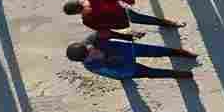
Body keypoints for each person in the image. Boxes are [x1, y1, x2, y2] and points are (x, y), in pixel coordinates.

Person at [63, 0, 181, 36]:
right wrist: (127, 0)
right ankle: (170, 23)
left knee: (146, 19)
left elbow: (104, 29)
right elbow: (104, 29)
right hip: (124, 18)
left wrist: (128, 0)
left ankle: (169, 23)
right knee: (146, 19)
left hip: (125, 15)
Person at [66, 35, 198, 81]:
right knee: (152, 73)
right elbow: (115, 70)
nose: (92, 49)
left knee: (157, 50)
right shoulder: (94, 66)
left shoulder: (92, 41)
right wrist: (105, 59)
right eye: (89, 52)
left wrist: (127, 37)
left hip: (128, 49)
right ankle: (181, 74)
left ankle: (183, 53)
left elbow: (109, 33)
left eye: (88, 47)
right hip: (128, 68)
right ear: (84, 59)